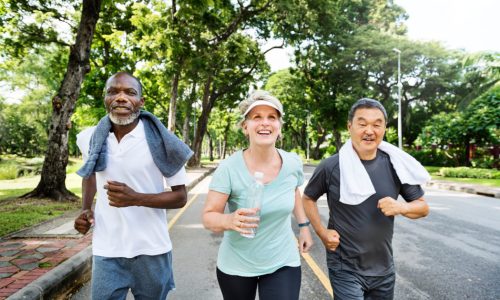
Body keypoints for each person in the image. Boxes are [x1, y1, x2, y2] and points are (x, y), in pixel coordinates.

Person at [73, 71, 193, 299]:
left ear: (140, 101)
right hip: (107, 248)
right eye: (113, 92)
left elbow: (181, 197)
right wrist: (85, 209)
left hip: (152, 250)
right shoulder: (88, 138)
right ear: (105, 98)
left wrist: (136, 198)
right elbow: (89, 173)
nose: (121, 97)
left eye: (130, 92)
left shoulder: (164, 142)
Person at [302, 98, 430, 300]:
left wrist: (400, 207)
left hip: (383, 268)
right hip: (345, 266)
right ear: (349, 126)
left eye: (376, 124)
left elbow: (423, 208)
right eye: (362, 124)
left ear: (384, 129)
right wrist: (321, 232)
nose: (369, 130)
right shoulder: (331, 167)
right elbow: (308, 198)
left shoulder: (396, 165)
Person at [202, 90, 313, 300]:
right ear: (246, 127)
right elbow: (209, 217)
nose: (265, 123)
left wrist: (303, 226)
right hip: (237, 264)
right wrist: (229, 220)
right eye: (257, 117)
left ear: (279, 127)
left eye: (272, 117)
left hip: (283, 260)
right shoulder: (228, 168)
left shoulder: (292, 163)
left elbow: (293, 190)